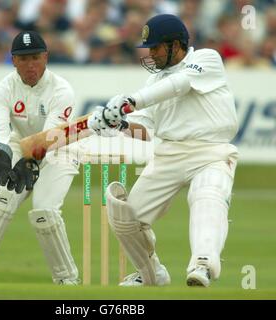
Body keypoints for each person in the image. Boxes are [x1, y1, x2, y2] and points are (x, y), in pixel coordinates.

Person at [88, 14, 239, 287]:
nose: (151, 54)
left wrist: (129, 102)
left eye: (156, 48)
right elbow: (144, 129)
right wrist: (116, 124)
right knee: (126, 217)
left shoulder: (207, 58)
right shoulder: (153, 82)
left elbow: (178, 86)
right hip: (168, 154)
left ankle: (203, 265)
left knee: (207, 196)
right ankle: (151, 274)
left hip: (211, 151)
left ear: (176, 45)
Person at [0, 31, 80, 285]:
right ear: (13, 60)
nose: (30, 65)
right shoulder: (2, 89)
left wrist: (27, 164)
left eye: (35, 58)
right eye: (23, 59)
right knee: (0, 198)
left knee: (44, 210)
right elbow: (0, 133)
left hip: (59, 150)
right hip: (21, 143)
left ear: (46, 57)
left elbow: (48, 139)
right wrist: (1, 157)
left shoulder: (62, 90)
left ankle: (66, 279)